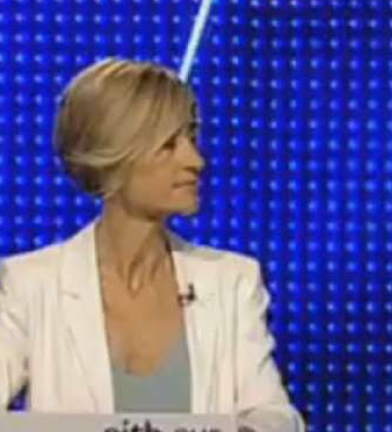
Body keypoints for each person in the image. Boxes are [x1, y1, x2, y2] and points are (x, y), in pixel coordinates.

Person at [0, 59, 304, 432]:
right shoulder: (29, 287)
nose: (195, 161)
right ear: (115, 156)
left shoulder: (232, 281)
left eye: (191, 138)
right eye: (169, 145)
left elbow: (276, 417)